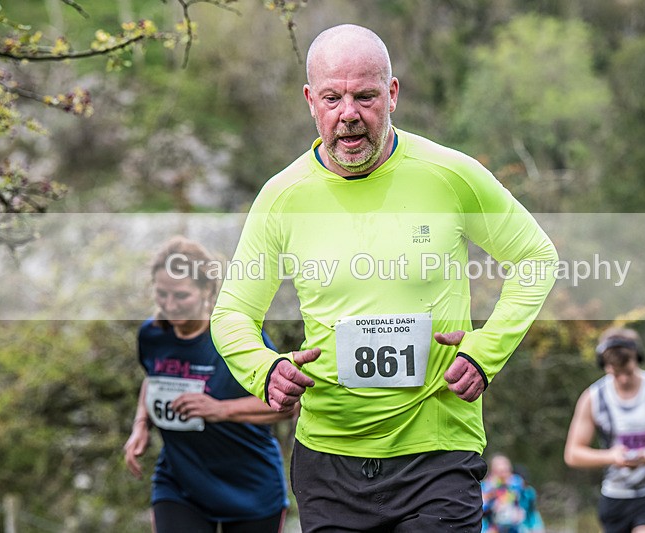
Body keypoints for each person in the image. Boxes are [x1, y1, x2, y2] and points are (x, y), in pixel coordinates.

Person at [210, 23, 558, 532]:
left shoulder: (450, 175)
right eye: (332, 98)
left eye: (365, 96)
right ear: (310, 101)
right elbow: (233, 313)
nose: (348, 114)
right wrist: (264, 370)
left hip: (438, 451)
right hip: (328, 458)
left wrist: (487, 350)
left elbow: (535, 258)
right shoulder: (283, 196)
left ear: (392, 94)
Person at [124, 236, 293, 533]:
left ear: (206, 290)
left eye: (181, 296)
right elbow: (153, 379)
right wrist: (141, 423)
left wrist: (220, 410)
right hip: (180, 485)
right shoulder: (151, 335)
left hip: (250, 489)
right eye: (162, 294)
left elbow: (287, 405)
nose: (170, 305)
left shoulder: (236, 337)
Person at [563, 326, 645, 533]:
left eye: (628, 371)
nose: (623, 379)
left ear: (637, 358)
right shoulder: (593, 398)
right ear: (604, 366)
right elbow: (573, 454)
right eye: (616, 372)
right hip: (615, 496)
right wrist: (611, 456)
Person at [481, 454, 545, 533]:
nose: (503, 476)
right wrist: (490, 494)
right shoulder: (486, 487)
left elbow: (529, 508)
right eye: (499, 472)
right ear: (492, 472)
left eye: (506, 471)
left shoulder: (517, 484)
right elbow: (480, 509)